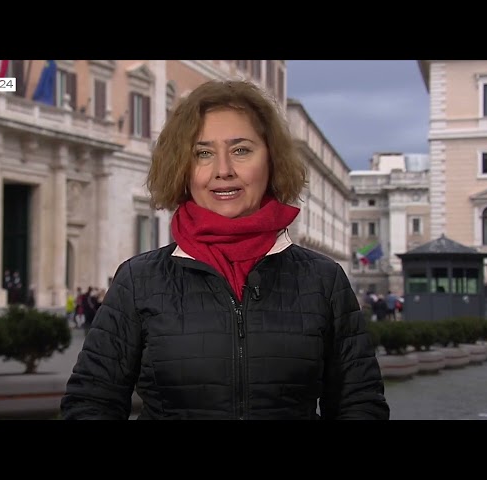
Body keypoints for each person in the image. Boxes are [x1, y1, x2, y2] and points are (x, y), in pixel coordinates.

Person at [61, 80, 390, 420]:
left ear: (271, 160)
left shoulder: (324, 280)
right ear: (183, 169)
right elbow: (90, 402)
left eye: (241, 150)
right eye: (203, 153)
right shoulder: (138, 280)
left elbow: (360, 403)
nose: (223, 171)